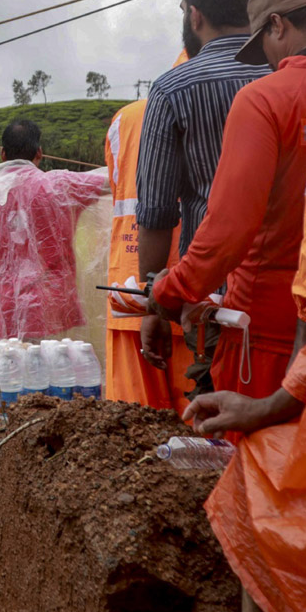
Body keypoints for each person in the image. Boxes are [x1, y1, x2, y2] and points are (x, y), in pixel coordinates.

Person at [152, 0, 306, 400]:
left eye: (267, 45)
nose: (269, 60)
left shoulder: (266, 99)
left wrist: (171, 289)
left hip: (272, 329)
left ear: (278, 26)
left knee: (263, 459)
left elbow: (229, 230)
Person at [137, 0, 271, 391]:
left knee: (222, 419)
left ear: (195, 15)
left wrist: (154, 305)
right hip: (292, 287)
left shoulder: (173, 88)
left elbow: (157, 211)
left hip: (213, 299)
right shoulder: (284, 75)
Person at [0, 119, 109, 341]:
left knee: (16, 374)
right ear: (39, 152)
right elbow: (111, 183)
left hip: (8, 313)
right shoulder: (58, 185)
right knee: (58, 373)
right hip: (55, 312)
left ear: (2, 154)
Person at [105, 99, 193, 416]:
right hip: (201, 297)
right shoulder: (233, 93)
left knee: (132, 429)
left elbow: (118, 192)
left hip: (129, 291)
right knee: (204, 439)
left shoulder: (123, 119)